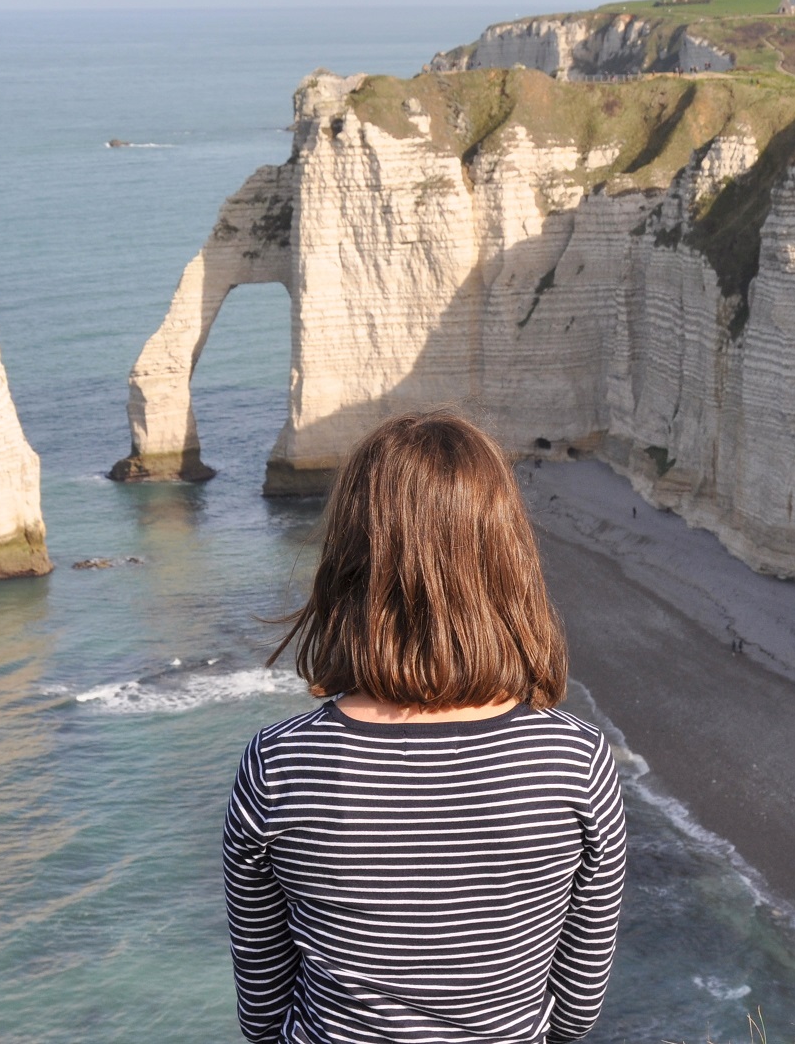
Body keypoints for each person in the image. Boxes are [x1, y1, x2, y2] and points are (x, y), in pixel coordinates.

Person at [223, 411, 628, 1044]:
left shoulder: (275, 768)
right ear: (505, 559)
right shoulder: (577, 762)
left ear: (348, 563)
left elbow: (262, 1007)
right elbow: (576, 1008)